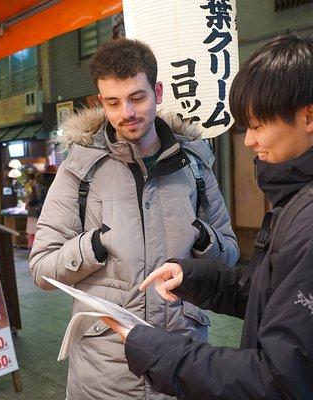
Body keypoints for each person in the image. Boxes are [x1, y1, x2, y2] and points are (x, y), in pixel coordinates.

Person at [103, 33, 313, 399]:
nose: (248, 141)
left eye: (258, 125)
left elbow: (279, 378)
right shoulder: (293, 199)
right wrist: (194, 277)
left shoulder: (198, 163)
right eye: (113, 102)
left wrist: (157, 350)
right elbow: (270, 296)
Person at [29, 38, 239, 399]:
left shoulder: (195, 165)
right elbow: (41, 269)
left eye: (137, 98)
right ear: (101, 101)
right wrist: (92, 245)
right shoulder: (80, 170)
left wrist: (204, 240)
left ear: (157, 91)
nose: (126, 112)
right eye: (113, 102)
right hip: (104, 370)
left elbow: (231, 255)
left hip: (181, 359)